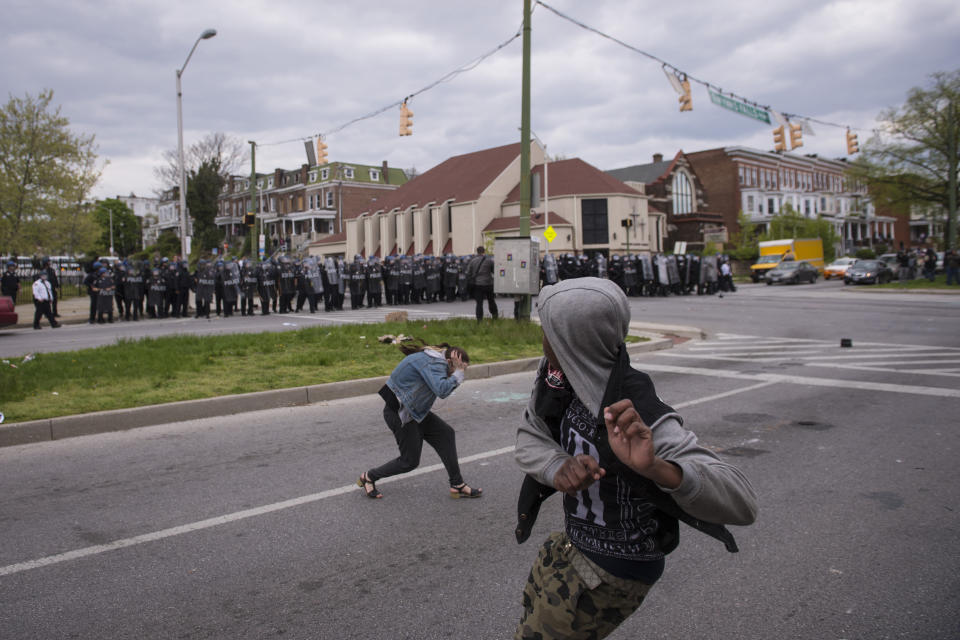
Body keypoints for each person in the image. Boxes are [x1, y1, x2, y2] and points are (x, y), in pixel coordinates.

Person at [513, 277, 757, 640]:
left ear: (571, 341)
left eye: (549, 331)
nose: (543, 340)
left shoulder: (638, 412)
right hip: (570, 545)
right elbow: (530, 432)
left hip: (611, 573)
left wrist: (658, 468)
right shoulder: (559, 376)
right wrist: (555, 465)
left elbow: (743, 503)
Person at [357, 340, 482, 501]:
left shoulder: (437, 360)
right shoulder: (434, 364)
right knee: (409, 461)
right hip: (401, 415)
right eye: (458, 367)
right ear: (450, 361)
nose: (457, 372)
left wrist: (456, 373)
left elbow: (442, 386)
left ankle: (457, 484)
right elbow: (442, 390)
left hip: (415, 412)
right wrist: (458, 374)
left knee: (445, 434)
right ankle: (369, 477)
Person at [466, 246, 498, 321]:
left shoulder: (472, 261)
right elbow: (494, 271)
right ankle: (495, 316)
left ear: (477, 252)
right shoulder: (489, 261)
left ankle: (479, 320)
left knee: (479, 303)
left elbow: (468, 272)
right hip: (488, 284)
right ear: (484, 252)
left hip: (477, 285)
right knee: (491, 301)